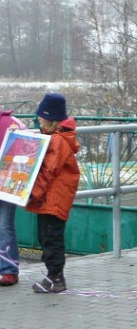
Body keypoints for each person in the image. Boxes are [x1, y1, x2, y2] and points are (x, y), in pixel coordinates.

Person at [25, 93, 80, 293]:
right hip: (52, 199)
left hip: (53, 199)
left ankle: (56, 278)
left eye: (41, 117)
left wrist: (31, 194)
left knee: (51, 238)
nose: (39, 119)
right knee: (47, 236)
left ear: (52, 119)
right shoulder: (54, 139)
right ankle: (53, 276)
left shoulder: (56, 142)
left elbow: (48, 172)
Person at [0, 110, 26, 287]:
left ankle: (9, 270)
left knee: (5, 225)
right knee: (5, 224)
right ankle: (9, 270)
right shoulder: (14, 122)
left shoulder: (11, 123)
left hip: (8, 183)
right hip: (10, 182)